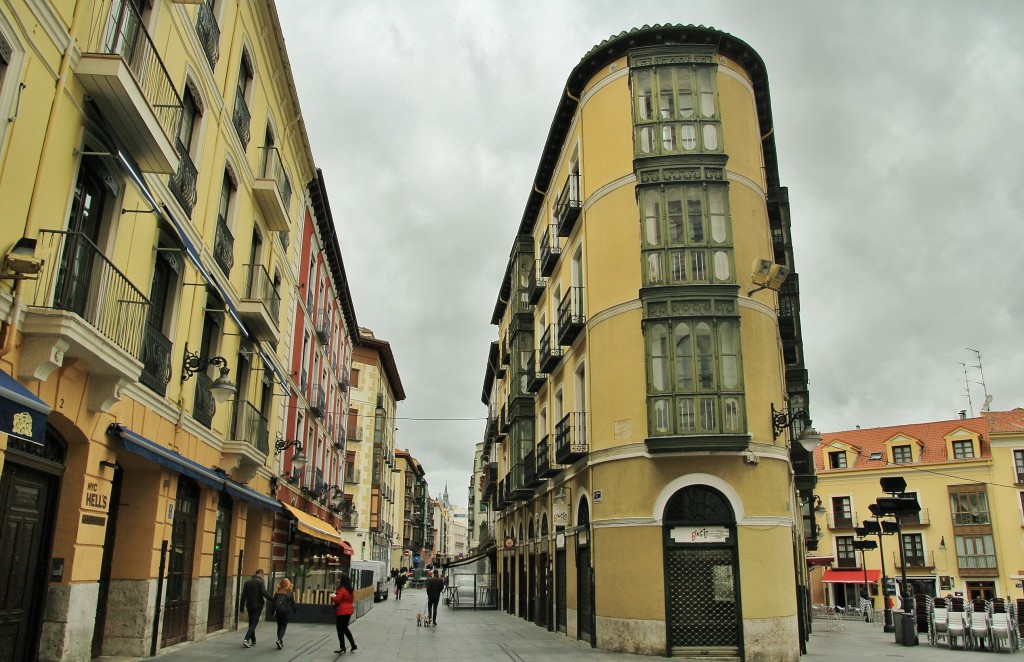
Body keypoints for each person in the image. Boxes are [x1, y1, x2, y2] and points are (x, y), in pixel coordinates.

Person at [239, 569, 272, 648]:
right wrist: (272, 599)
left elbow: (243, 596)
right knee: (254, 623)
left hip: (249, 605)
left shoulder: (247, 582)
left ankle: (253, 640)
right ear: (260, 574)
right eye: (263, 575)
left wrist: (241, 608)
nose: (263, 576)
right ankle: (246, 639)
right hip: (258, 605)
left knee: (251, 622)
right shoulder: (261, 582)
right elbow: (264, 593)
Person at [331, 575, 357, 654]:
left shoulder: (341, 589)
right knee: (345, 628)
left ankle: (342, 646)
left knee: (340, 629)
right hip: (349, 611)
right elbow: (352, 600)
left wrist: (333, 597)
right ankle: (353, 645)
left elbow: (338, 600)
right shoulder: (350, 590)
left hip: (341, 611)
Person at [272, 578, 296, 650]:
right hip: (286, 611)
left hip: (278, 611)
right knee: (283, 626)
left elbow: (273, 603)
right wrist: (295, 610)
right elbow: (293, 603)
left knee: (279, 626)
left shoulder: (277, 592)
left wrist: (272, 611)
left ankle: (280, 641)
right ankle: (279, 640)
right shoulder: (289, 593)